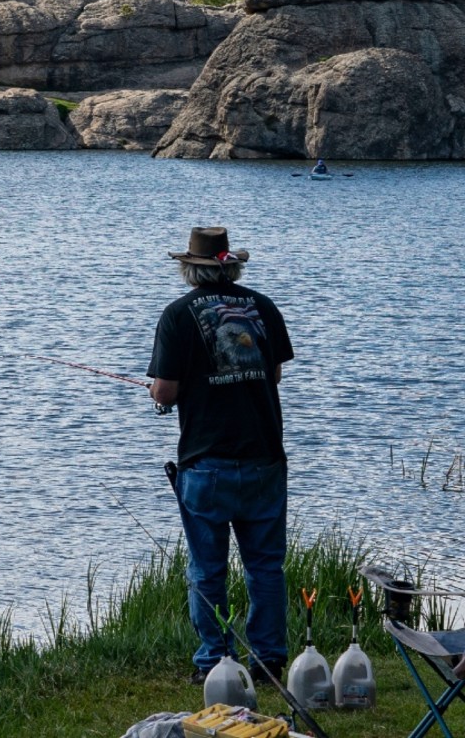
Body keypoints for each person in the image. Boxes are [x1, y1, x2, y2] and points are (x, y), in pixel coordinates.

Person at [147, 226, 294, 686]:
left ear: (189, 269)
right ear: (232, 266)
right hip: (265, 456)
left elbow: (165, 390)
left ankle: (215, 661)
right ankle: (268, 661)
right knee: (266, 566)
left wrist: (157, 396)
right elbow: (271, 376)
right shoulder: (263, 307)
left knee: (207, 569)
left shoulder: (177, 315)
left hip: (206, 462)